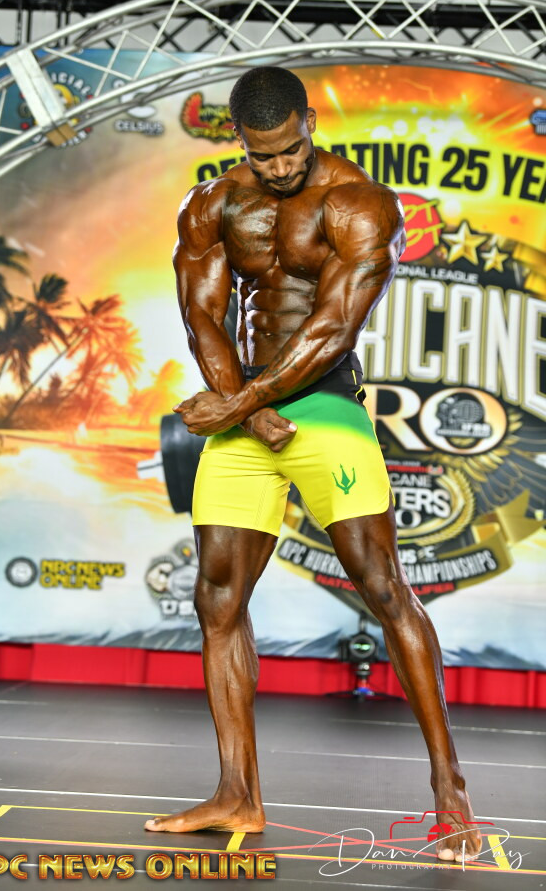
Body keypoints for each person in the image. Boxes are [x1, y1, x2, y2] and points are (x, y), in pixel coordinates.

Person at [144, 66, 481, 863]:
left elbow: (334, 325)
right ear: (240, 141)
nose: (280, 167)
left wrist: (242, 404)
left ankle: (451, 792)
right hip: (245, 412)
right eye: (262, 156)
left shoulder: (359, 203)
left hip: (324, 406)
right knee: (216, 598)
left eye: (290, 150)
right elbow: (202, 316)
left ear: (309, 123)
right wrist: (246, 412)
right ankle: (237, 792)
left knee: (383, 587)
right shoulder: (212, 205)